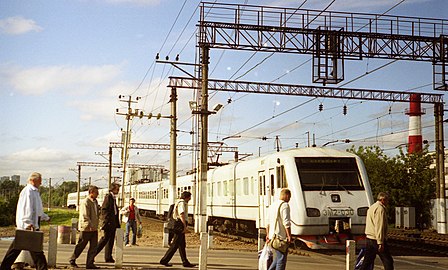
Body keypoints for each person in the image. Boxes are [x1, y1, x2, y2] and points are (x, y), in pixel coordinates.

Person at [0, 172, 50, 270]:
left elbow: (38, 209)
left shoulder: (35, 192)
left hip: (31, 225)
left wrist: (45, 217)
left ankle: (4, 267)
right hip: (27, 226)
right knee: (36, 250)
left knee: (17, 249)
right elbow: (26, 208)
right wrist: (28, 223)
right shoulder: (28, 191)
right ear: (32, 180)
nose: (40, 183)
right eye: (39, 180)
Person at [159, 191, 195, 268]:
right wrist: (184, 226)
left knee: (182, 245)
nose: (190, 199)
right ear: (186, 197)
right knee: (175, 245)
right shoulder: (182, 203)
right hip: (179, 225)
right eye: (189, 197)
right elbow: (181, 214)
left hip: (178, 225)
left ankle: (185, 262)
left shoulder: (178, 202)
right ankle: (164, 260)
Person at [360, 192, 394, 270]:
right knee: (388, 260)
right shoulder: (380, 209)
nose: (388, 202)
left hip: (369, 238)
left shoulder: (372, 207)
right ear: (383, 200)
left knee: (367, 261)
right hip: (376, 239)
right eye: (387, 200)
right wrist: (380, 242)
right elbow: (379, 226)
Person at [69, 185, 100, 269]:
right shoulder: (85, 202)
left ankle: (90, 263)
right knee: (81, 245)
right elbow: (85, 215)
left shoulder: (95, 202)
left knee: (94, 246)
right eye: (96, 193)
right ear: (91, 192)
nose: (98, 194)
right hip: (86, 228)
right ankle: (72, 259)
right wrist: (89, 225)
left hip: (94, 228)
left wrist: (96, 225)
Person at [266, 188, 292, 270]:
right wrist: (289, 236)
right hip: (280, 237)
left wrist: (267, 234)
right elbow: (286, 222)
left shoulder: (272, 205)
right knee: (281, 259)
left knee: (278, 257)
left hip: (272, 237)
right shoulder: (285, 205)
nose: (289, 199)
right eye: (289, 197)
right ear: (287, 196)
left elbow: (267, 222)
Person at [95, 182, 120, 263]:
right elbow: (104, 210)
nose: (118, 190)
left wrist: (117, 223)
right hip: (109, 223)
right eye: (117, 189)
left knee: (110, 240)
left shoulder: (113, 197)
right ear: (113, 189)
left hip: (113, 223)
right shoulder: (108, 197)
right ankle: (92, 255)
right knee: (104, 239)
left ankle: (108, 256)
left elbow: (114, 211)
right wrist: (106, 221)